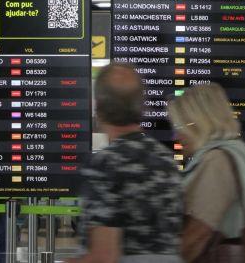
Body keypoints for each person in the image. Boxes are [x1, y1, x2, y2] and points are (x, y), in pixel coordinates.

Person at [68, 63, 183, 263]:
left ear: (99, 108)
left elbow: (104, 257)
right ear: (142, 106)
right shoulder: (167, 161)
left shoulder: (105, 165)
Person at [167, 83, 245, 263]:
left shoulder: (217, 161)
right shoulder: (241, 154)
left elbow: (197, 236)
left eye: (180, 126)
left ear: (200, 122)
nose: (176, 136)